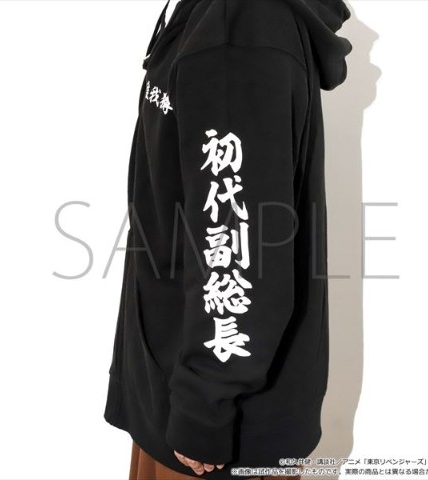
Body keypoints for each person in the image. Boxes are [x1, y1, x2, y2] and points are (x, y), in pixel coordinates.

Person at [103, 0, 353, 478]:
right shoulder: (209, 15)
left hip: (217, 431)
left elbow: (242, 242)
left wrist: (204, 406)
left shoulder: (238, 26)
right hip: (180, 385)